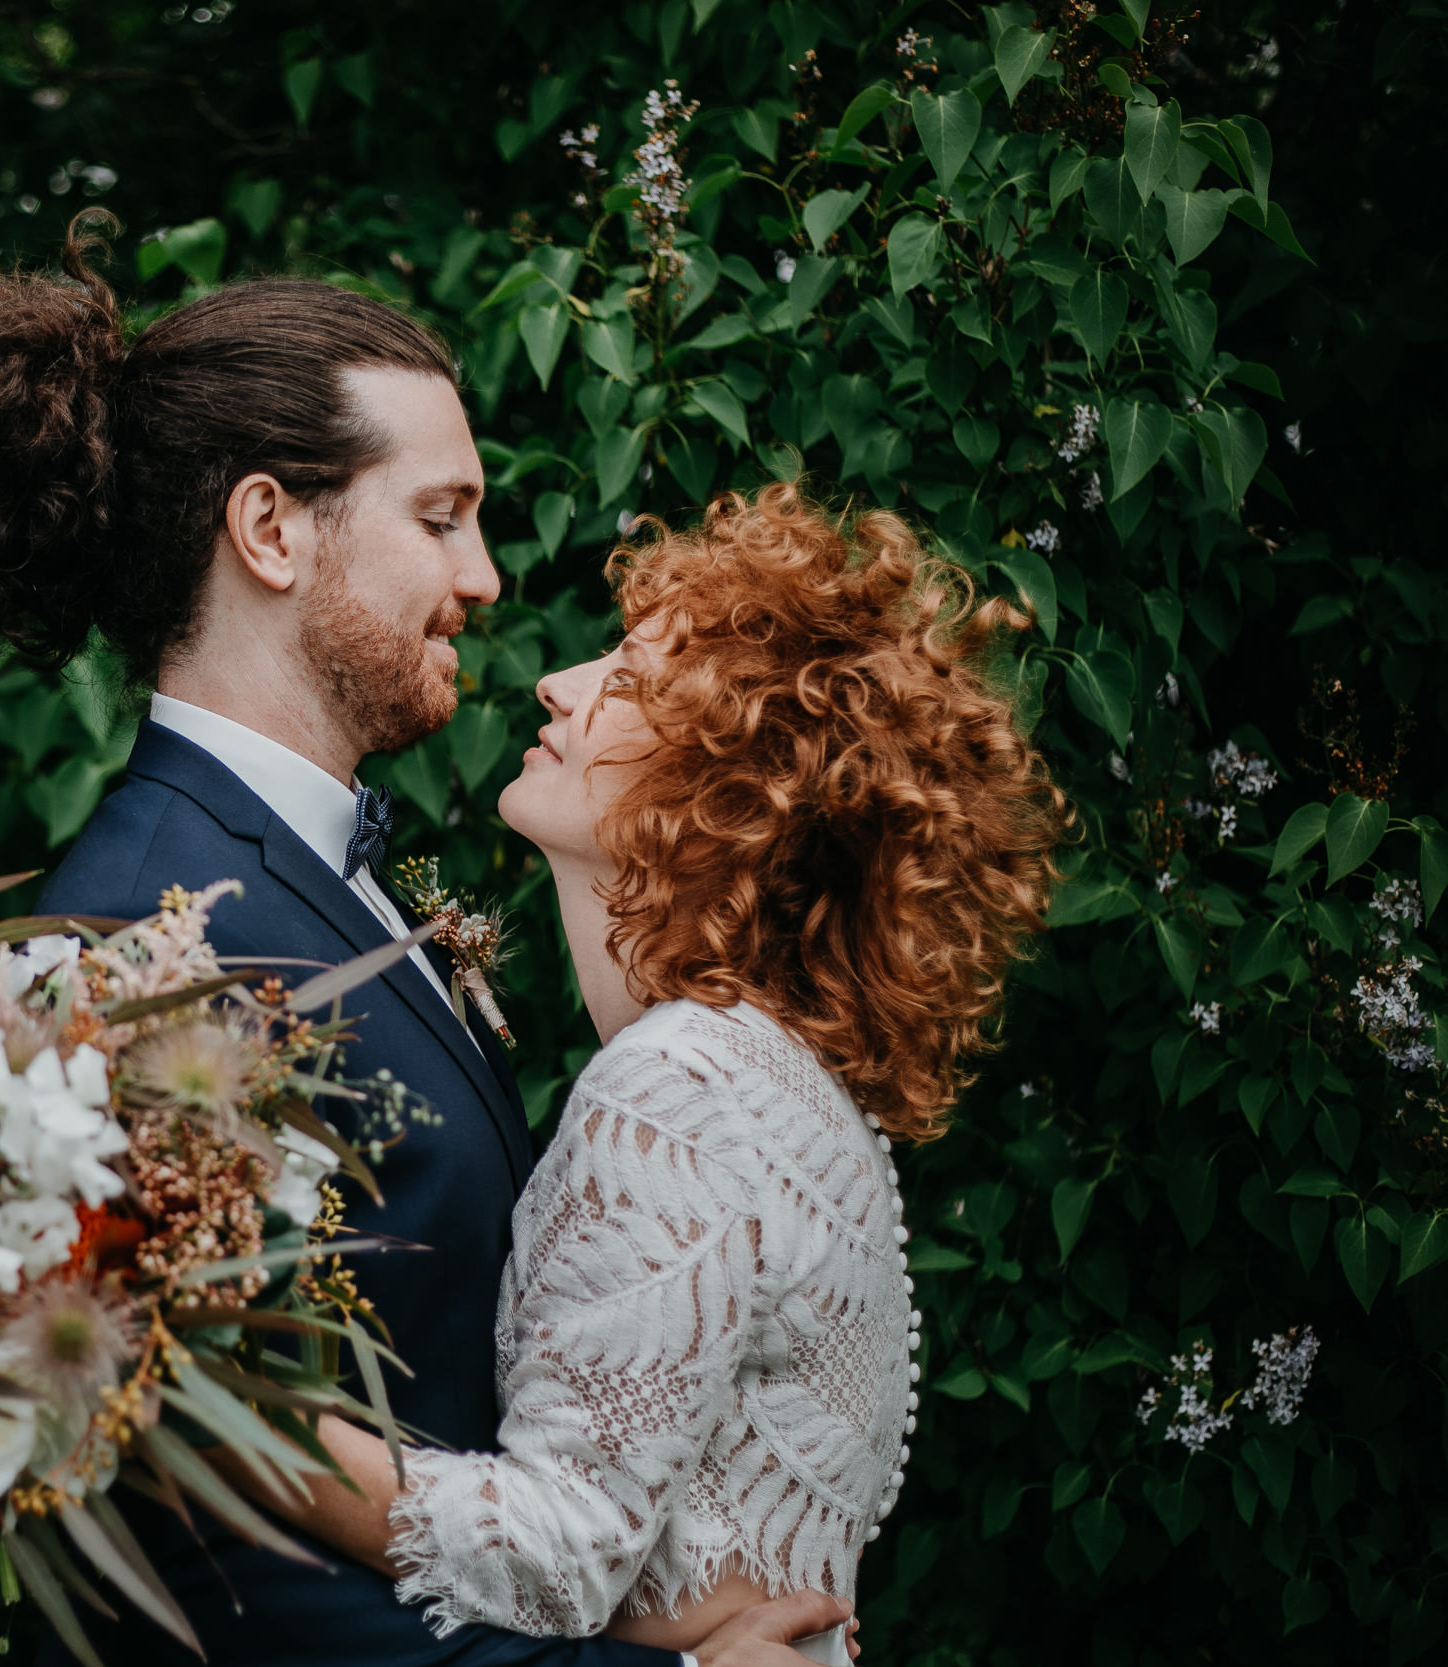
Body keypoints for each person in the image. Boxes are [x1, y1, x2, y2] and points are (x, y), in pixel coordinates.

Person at [0, 214, 849, 1667]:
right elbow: (208, 1552)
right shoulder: (146, 944)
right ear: (271, 528)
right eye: (441, 516)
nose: (488, 578)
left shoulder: (319, 883)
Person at [224, 485, 1066, 1664]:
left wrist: (221, 1413)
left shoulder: (679, 1084)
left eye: (625, 674)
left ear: (726, 790)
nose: (557, 685)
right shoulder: (773, 1078)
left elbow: (560, 1550)